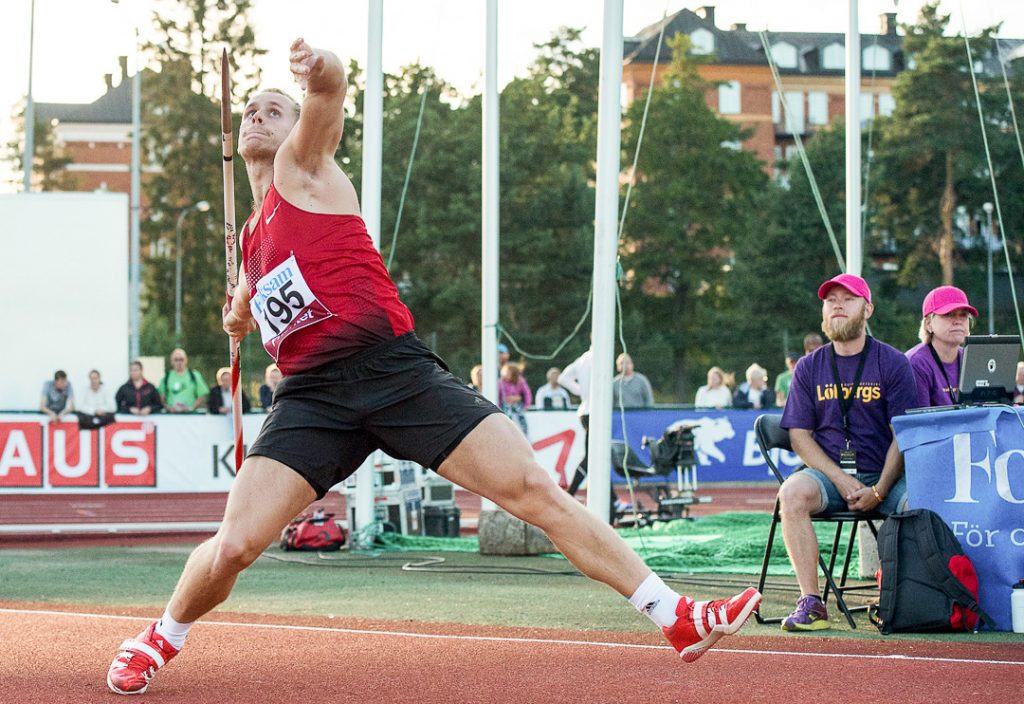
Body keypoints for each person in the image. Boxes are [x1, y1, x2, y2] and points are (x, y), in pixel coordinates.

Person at [105, 39, 759, 696]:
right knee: (236, 545)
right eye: (252, 108)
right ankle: (161, 635)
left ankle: (673, 613)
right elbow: (247, 311)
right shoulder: (250, 238)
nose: (259, 114)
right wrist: (237, 319)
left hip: (396, 372)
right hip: (313, 398)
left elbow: (328, 92)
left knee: (533, 489)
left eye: (275, 108)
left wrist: (319, 69)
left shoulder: (303, 168)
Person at [778, 273, 917, 632]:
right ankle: (811, 602)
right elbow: (799, 436)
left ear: (867, 309)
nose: (837, 304)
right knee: (791, 493)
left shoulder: (893, 362)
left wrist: (880, 491)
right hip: (830, 475)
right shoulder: (809, 366)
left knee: (920, 502)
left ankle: (907, 600)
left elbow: (901, 435)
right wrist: (840, 480)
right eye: (830, 300)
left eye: (848, 298)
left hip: (885, 475)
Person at [905, 286, 977, 408]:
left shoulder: (972, 360)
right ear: (928, 324)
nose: (958, 321)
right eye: (949, 314)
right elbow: (919, 422)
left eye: (964, 315)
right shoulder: (915, 363)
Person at [559, 347, 593, 495]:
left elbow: (563, 378)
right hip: (594, 411)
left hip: (585, 409)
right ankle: (570, 493)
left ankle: (612, 500)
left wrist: (581, 391)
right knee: (592, 457)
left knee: (594, 457)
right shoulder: (599, 357)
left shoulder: (583, 358)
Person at [158, 348, 209, 413]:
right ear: (172, 361)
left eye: (181, 359)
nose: (179, 362)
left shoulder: (194, 375)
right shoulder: (167, 377)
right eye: (176, 360)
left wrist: (191, 408)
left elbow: (202, 395)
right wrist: (169, 408)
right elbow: (161, 397)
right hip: (171, 416)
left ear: (186, 360)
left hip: (190, 416)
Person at [498, 362, 532, 436]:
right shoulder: (500, 382)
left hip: (517, 403)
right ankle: (508, 433)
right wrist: (499, 406)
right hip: (506, 404)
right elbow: (499, 395)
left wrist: (527, 405)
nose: (505, 375)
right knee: (507, 415)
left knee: (521, 415)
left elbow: (527, 393)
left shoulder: (520, 381)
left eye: (508, 373)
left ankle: (525, 433)